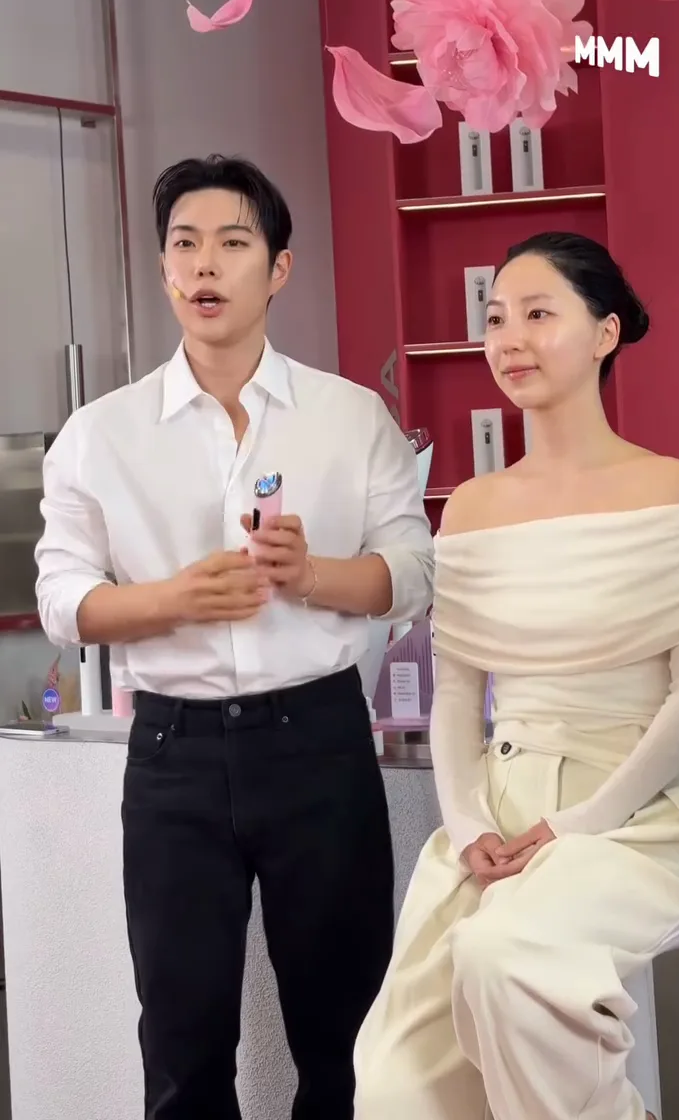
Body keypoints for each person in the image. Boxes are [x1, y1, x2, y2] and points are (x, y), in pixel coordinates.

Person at [35, 154, 434, 1120]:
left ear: (278, 268)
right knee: (182, 1044)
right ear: (164, 268)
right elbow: (62, 598)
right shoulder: (100, 431)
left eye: (232, 242)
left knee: (347, 1040)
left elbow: (416, 573)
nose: (205, 264)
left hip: (319, 743)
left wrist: (313, 576)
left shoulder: (350, 416)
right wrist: (170, 600)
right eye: (185, 244)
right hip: (173, 755)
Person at [353, 230, 679, 1120]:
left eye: (539, 314)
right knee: (394, 1080)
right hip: (498, 813)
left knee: (504, 959)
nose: (509, 339)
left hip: (634, 813)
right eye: (495, 319)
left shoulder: (673, 493)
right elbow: (455, 692)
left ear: (604, 333)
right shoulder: (472, 508)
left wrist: (580, 822)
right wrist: (468, 823)